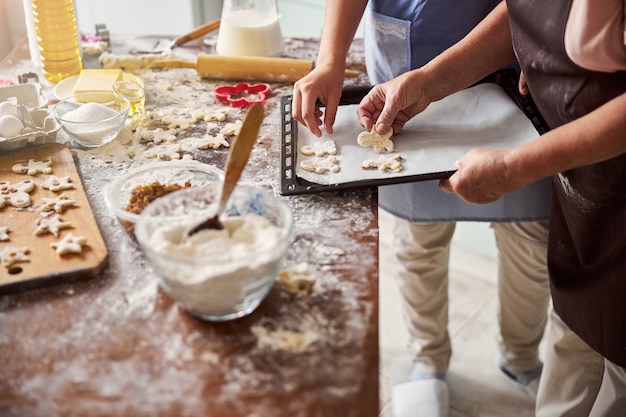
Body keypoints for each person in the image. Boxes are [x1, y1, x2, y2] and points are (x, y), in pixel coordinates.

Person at [353, 1, 626, 416]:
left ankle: (520, 357)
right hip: (583, 179)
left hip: (616, 178)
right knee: (573, 329)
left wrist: (517, 166)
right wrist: (428, 82)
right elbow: (528, 11)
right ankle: (432, 363)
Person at [293, 1, 552, 416]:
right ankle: (428, 362)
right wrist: (330, 59)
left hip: (515, 61)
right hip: (406, 60)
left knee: (531, 246)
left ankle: (521, 355)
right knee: (418, 244)